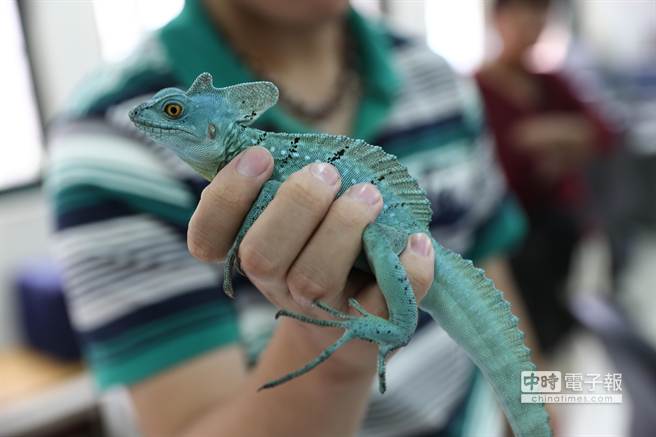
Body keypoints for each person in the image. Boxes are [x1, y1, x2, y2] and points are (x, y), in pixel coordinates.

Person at [47, 0, 538, 435]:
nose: (157, 118)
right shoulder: (104, 144)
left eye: (174, 110)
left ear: (213, 125)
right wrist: (326, 350)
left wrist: (549, 410)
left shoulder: (437, 75)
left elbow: (494, 285)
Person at [475, 0, 615, 352]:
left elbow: (604, 131)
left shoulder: (551, 82)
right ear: (497, 19)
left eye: (540, 15)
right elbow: (497, 169)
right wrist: (565, 143)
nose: (532, 25)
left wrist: (547, 134)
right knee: (520, 332)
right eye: (522, 14)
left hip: (559, 230)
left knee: (557, 326)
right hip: (512, 237)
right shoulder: (476, 89)